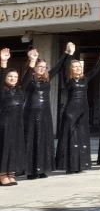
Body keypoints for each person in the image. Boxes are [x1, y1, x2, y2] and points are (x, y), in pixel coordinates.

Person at [54, 43, 100, 173]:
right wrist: (69, 53)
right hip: (71, 112)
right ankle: (68, 164)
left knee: (82, 137)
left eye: (79, 66)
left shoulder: (85, 79)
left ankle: (81, 164)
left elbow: (96, 69)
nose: (78, 68)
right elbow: (63, 66)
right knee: (71, 138)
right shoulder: (68, 79)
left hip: (83, 111)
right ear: (71, 69)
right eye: (75, 67)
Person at [21, 48, 65, 179]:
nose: (41, 69)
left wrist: (67, 53)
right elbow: (24, 82)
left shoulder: (47, 77)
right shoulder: (28, 77)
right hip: (31, 113)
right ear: (34, 67)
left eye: (44, 67)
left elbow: (58, 66)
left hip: (45, 113)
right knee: (31, 140)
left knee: (43, 141)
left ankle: (42, 169)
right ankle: (30, 170)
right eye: (39, 66)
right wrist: (32, 60)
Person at [0, 48, 25, 186]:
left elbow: (27, 78)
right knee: (4, 147)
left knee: (14, 147)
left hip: (17, 123)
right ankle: (2, 173)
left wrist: (32, 61)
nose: (13, 79)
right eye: (10, 76)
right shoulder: (2, 89)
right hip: (4, 122)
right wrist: (3, 61)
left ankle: (11, 172)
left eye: (15, 77)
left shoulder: (19, 90)